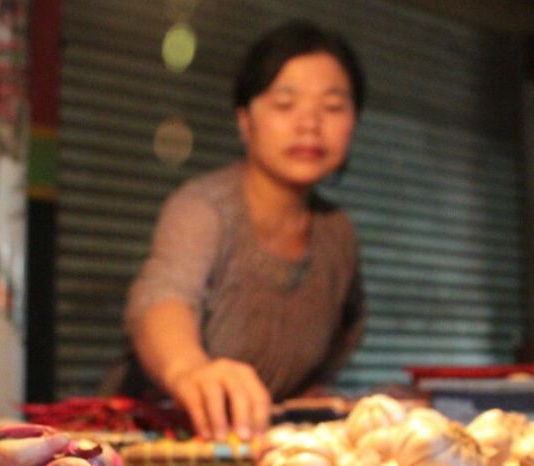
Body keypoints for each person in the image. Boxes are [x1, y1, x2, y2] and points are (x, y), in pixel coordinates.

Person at [108, 20, 366, 440]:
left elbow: (336, 346)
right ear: (246, 121)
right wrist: (189, 370)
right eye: (285, 103)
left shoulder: (339, 235)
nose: (310, 123)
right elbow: (163, 297)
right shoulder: (203, 208)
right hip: (160, 446)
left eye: (333, 106)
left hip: (261, 449)